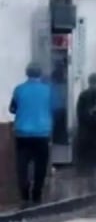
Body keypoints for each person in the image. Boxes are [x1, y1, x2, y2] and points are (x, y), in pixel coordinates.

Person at [9, 63, 53, 204]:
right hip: (42, 133)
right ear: (40, 74)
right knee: (40, 166)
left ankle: (24, 194)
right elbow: (54, 108)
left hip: (22, 133)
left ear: (27, 73)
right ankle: (37, 195)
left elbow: (12, 108)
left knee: (22, 166)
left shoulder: (19, 90)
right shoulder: (48, 90)